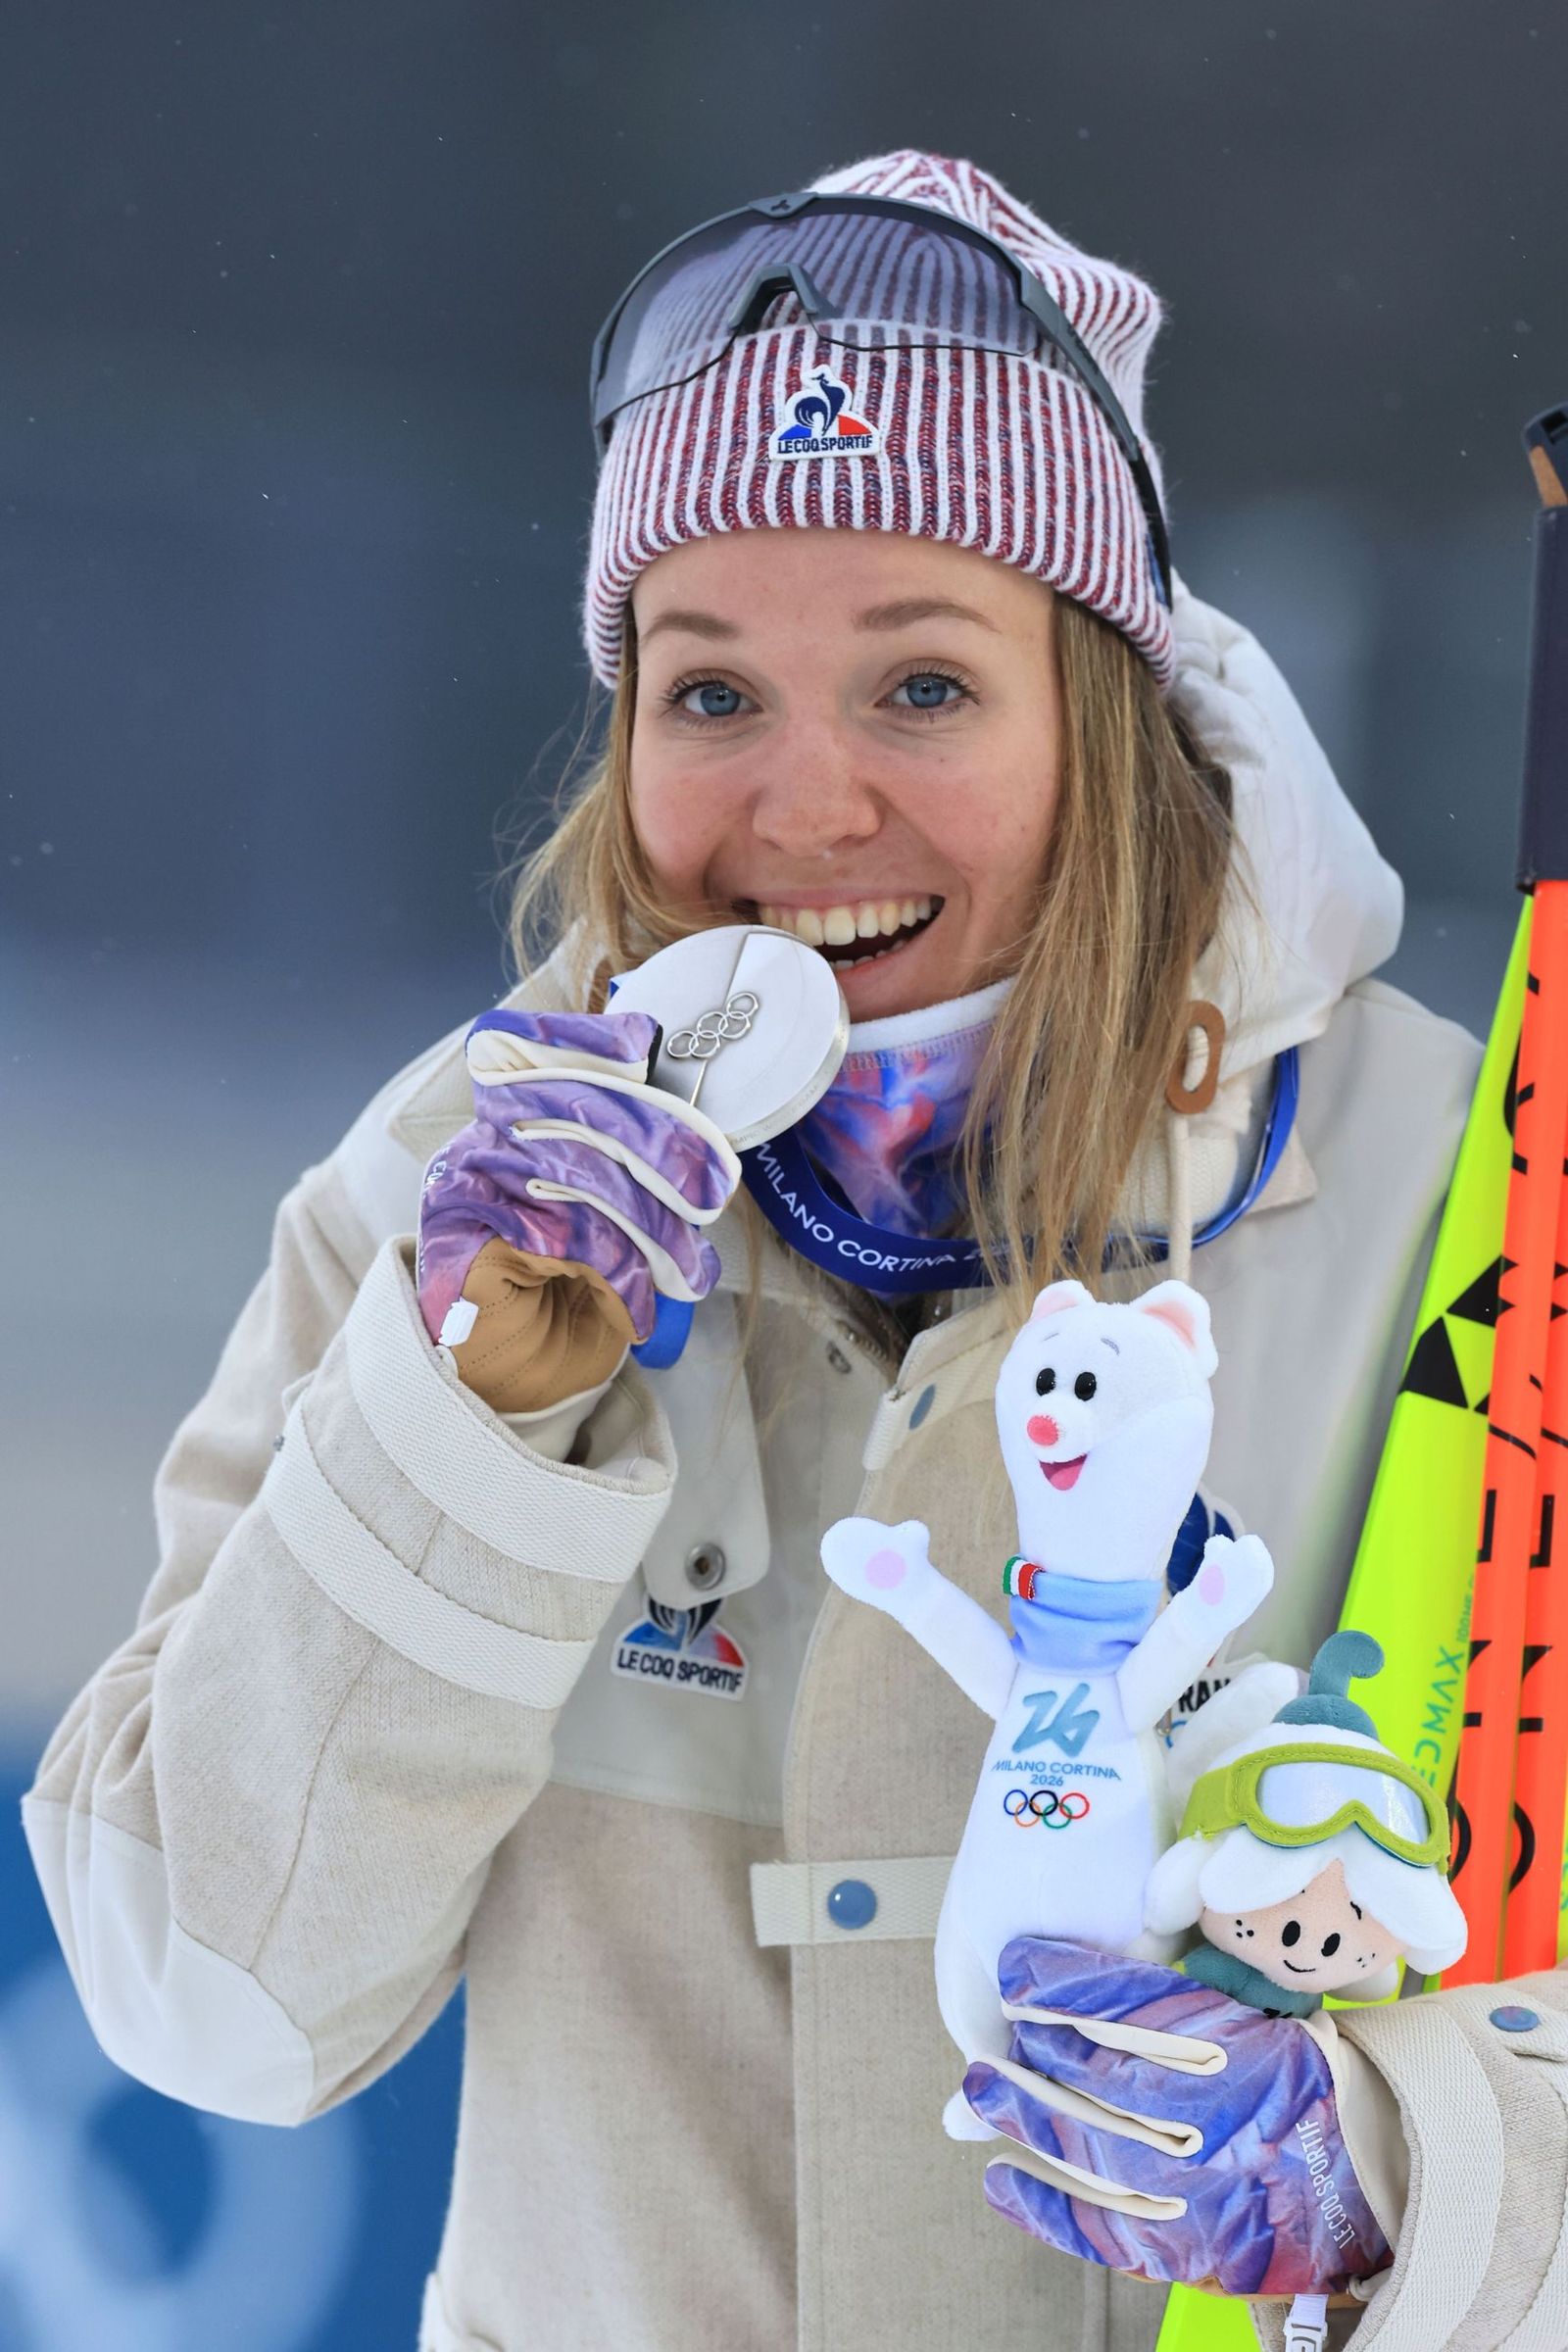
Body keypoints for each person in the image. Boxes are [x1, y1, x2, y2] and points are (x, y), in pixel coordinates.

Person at [22, 149, 1567, 2352]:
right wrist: (472, 1437)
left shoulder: (1471, 1197)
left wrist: (1413, 2182)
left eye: (922, 687)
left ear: (1104, 717)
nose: (806, 806)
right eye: (710, 691)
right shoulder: (453, 1194)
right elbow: (218, 2005)